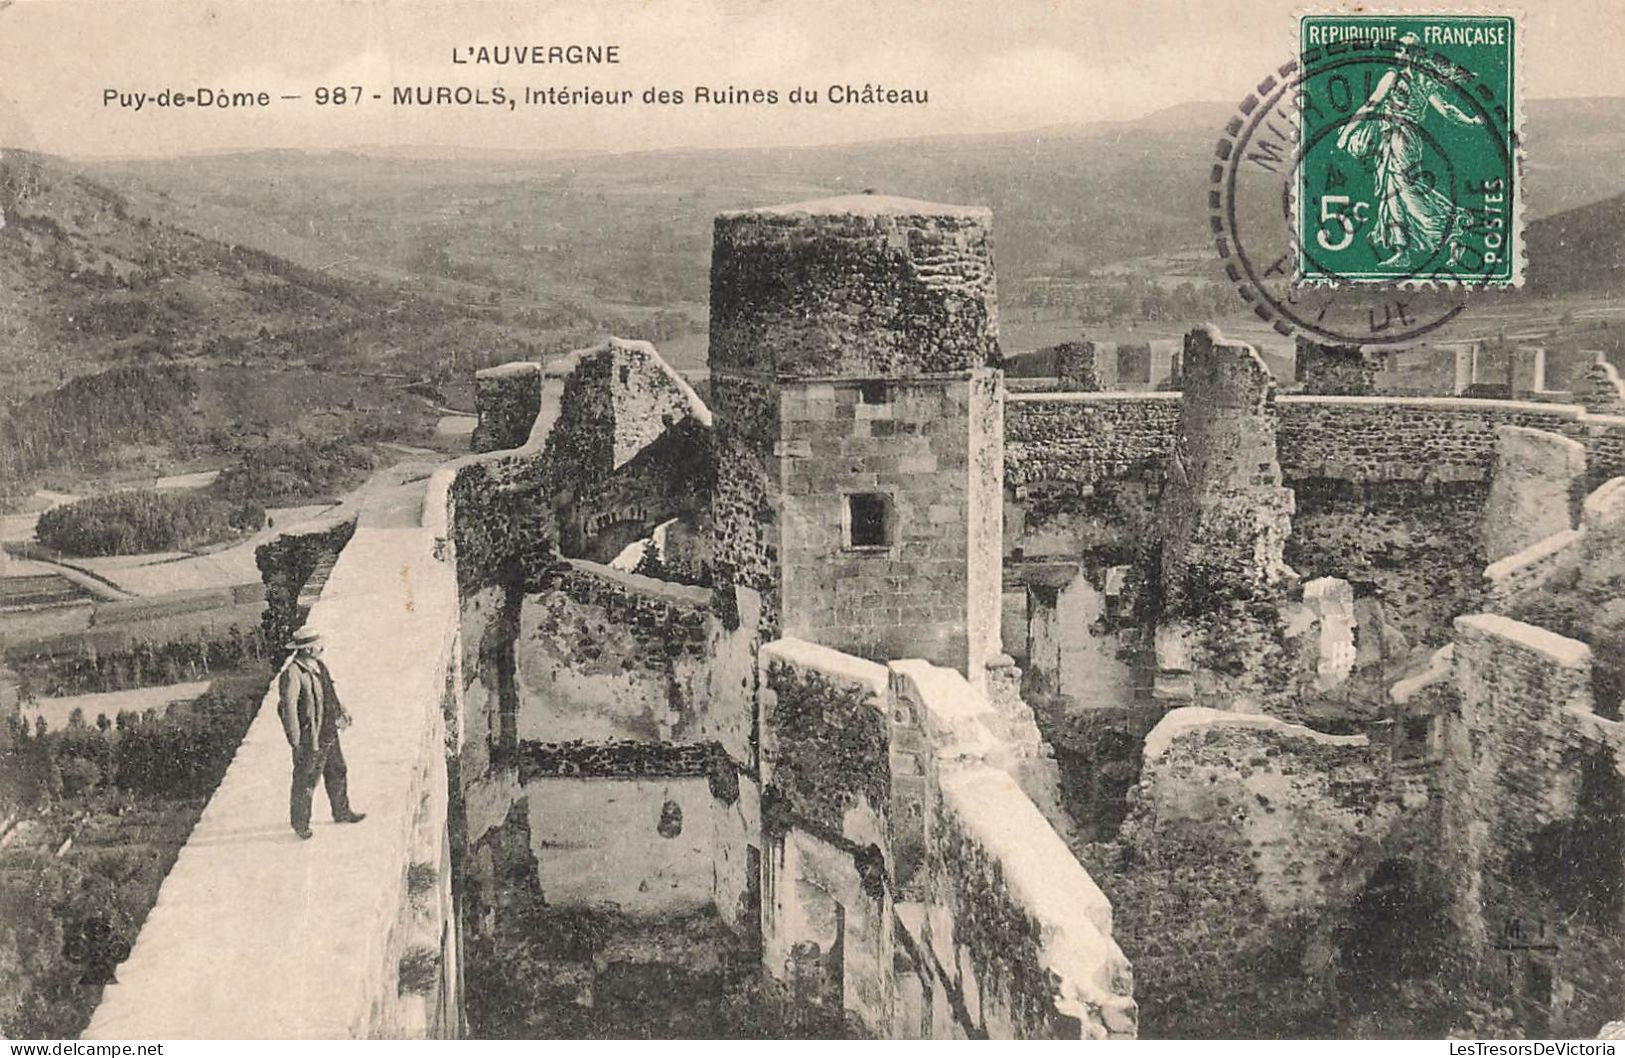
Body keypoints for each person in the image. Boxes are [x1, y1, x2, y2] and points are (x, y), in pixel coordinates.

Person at [1336, 34, 1485, 269]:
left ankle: (1451, 230)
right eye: (1400, 49)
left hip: (1400, 140)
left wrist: (1346, 134)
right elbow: (1446, 110)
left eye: (1405, 49)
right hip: (1398, 139)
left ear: (1415, 52)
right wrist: (1471, 121)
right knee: (1392, 192)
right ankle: (1402, 249)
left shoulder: (1395, 77)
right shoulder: (1423, 79)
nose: (1401, 53)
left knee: (1406, 192)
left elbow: (1372, 105)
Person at [277, 625, 365, 839]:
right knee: (306, 779)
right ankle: (301, 825)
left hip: (329, 732)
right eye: (319, 647)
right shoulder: (293, 674)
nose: (322, 649)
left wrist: (342, 711)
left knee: (337, 770)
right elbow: (287, 709)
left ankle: (342, 811)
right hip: (311, 738)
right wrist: (296, 741)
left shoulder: (319, 666)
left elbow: (329, 692)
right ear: (307, 650)